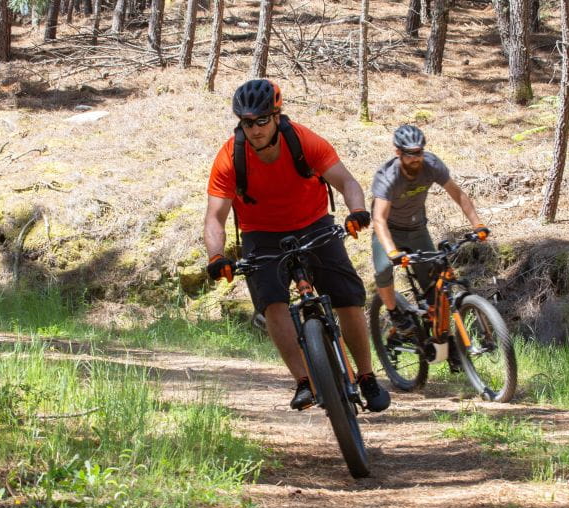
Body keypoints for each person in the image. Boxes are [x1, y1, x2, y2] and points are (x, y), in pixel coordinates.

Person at [204, 79, 390, 413]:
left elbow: (347, 182)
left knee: (347, 299)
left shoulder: (304, 141)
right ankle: (305, 380)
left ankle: (365, 376)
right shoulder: (230, 158)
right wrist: (216, 256)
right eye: (248, 123)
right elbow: (215, 217)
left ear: (276, 116)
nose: (256, 129)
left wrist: (357, 210)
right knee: (273, 304)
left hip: (314, 223)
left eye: (262, 120)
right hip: (261, 234)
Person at [370, 124, 490, 339]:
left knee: (435, 286)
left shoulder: (431, 164)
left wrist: (477, 225)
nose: (416, 158)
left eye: (419, 153)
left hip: (417, 229)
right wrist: (392, 252)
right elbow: (379, 219)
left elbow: (457, 193)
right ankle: (394, 313)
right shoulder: (387, 176)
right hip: (389, 231)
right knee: (382, 269)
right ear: (398, 152)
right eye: (410, 154)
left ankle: (442, 340)